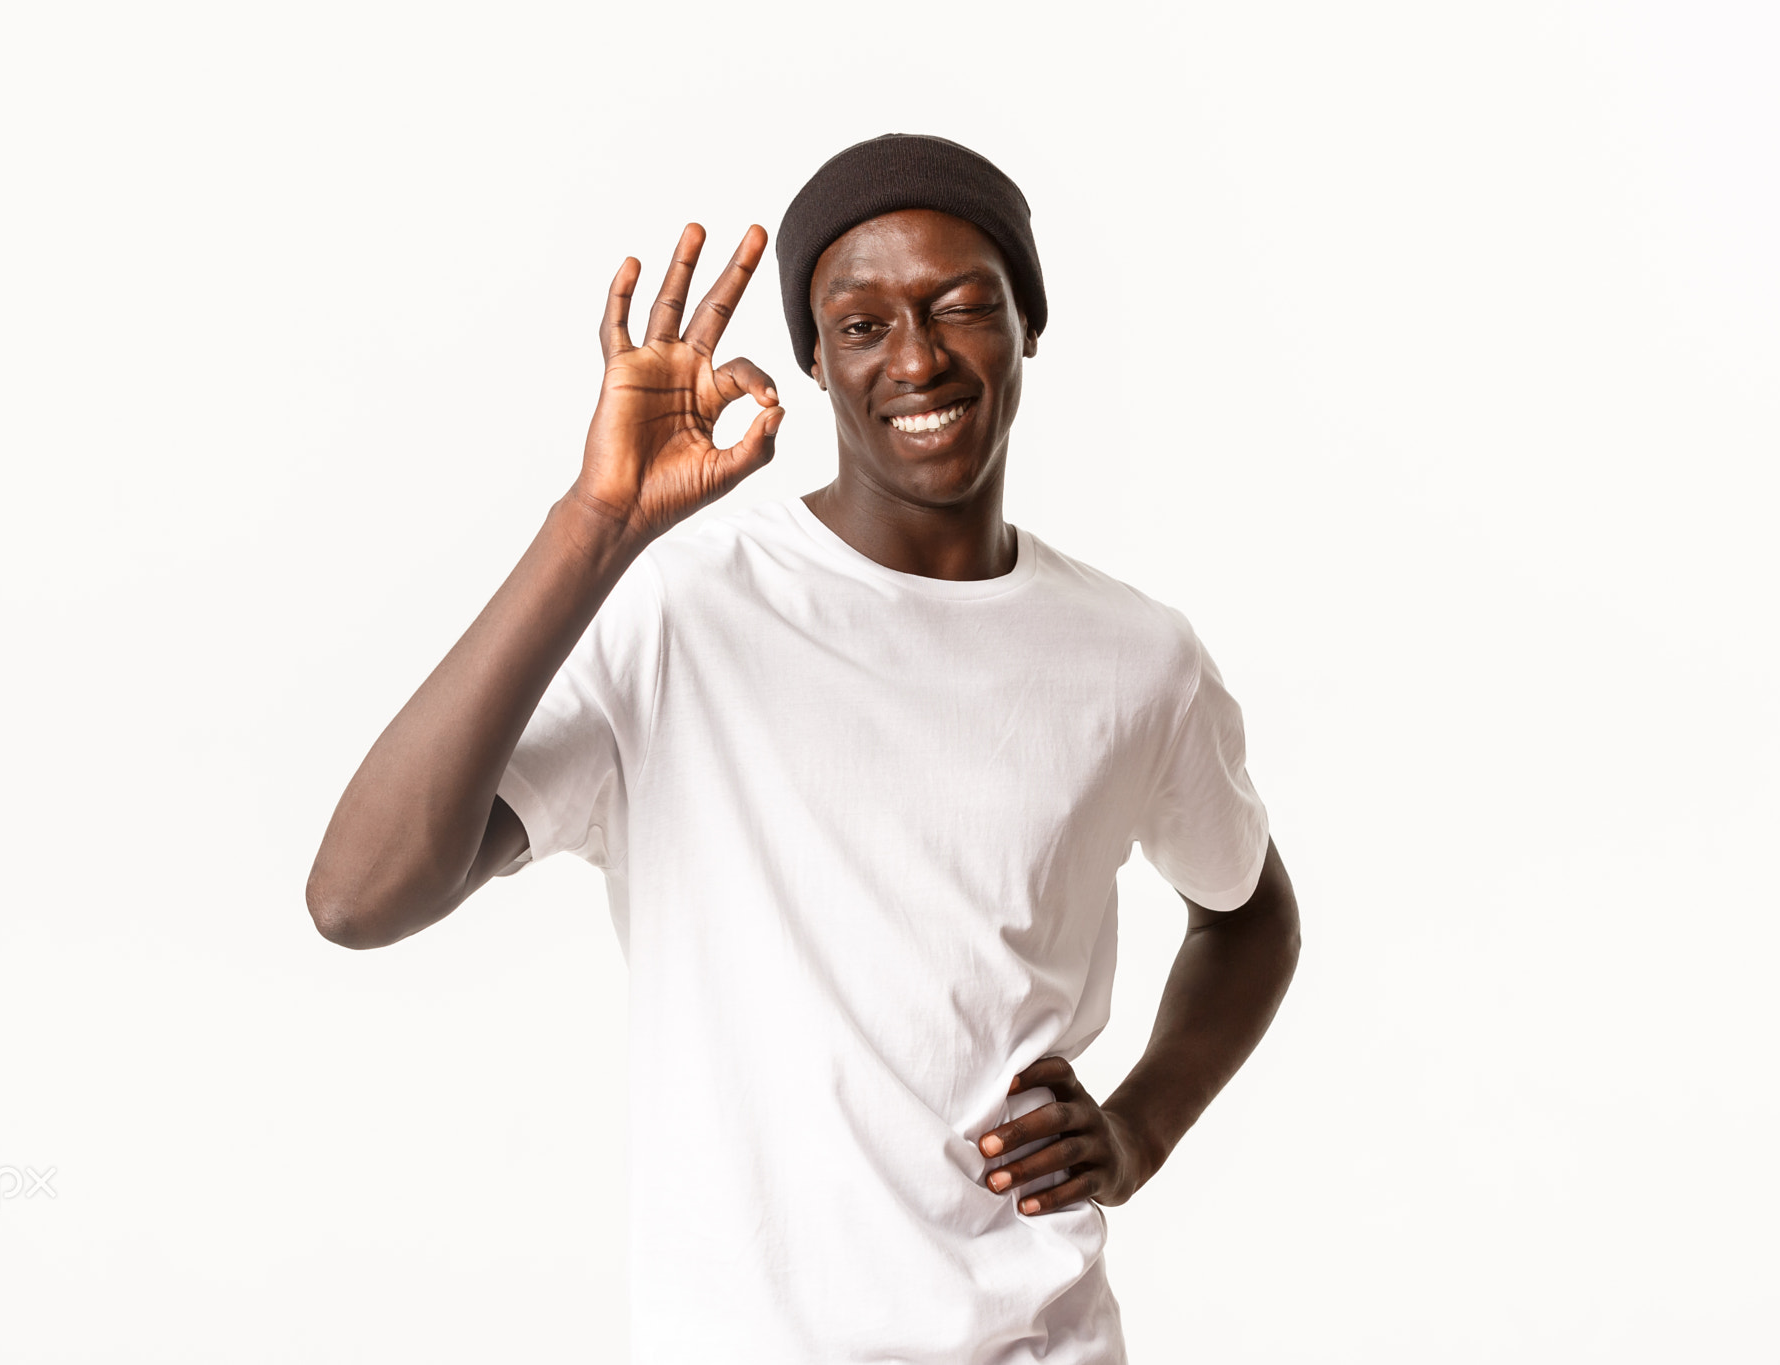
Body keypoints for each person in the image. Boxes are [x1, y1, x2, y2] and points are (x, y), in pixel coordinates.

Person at [306, 133, 1301, 1364]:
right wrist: (594, 524)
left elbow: (1246, 911)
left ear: (1027, 327)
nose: (917, 357)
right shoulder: (680, 612)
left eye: (960, 307)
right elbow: (358, 897)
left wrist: (1141, 1126)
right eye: (861, 325)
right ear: (815, 363)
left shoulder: (1134, 655)